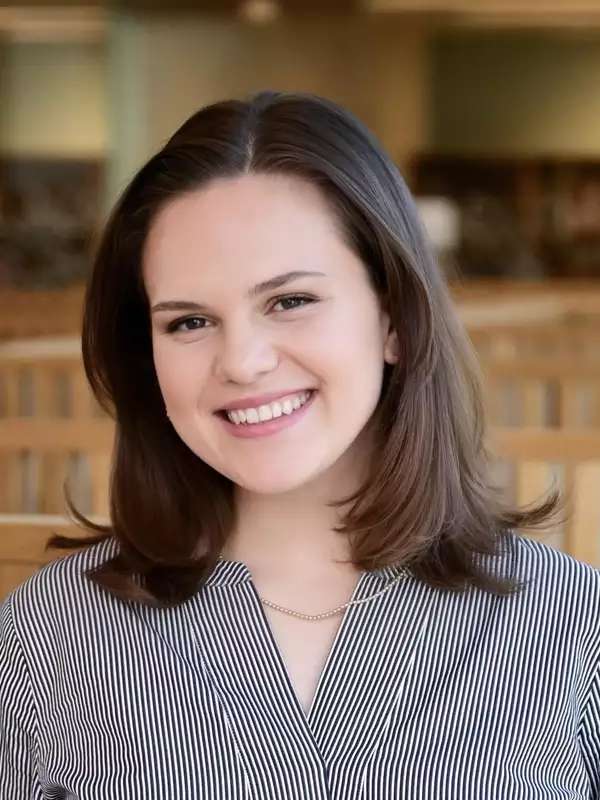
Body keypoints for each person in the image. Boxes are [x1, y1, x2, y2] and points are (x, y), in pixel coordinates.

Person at [1, 90, 598, 799]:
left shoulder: (571, 625)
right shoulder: (47, 632)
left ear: (393, 319)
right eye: (189, 322)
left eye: (290, 301)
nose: (242, 361)